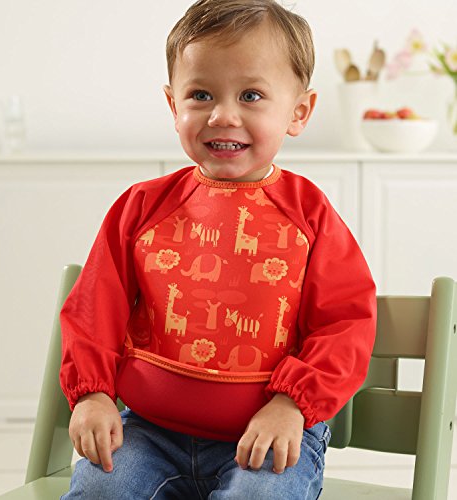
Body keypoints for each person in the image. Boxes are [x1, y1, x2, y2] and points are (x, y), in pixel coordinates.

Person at [59, 1, 377, 498]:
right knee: (103, 489)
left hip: (268, 434)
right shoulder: (141, 207)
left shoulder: (309, 214)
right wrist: (93, 393)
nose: (222, 115)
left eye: (251, 95)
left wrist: (291, 404)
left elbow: (345, 322)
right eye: (201, 94)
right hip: (148, 432)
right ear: (174, 106)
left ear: (298, 112)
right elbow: (94, 309)